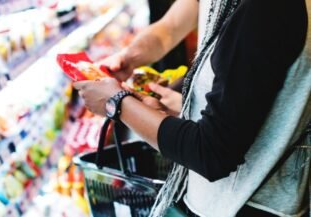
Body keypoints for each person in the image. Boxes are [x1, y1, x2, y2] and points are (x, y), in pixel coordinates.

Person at [74, 0, 311, 216]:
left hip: (245, 203)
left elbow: (212, 152)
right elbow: (171, 27)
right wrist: (131, 61)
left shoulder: (266, 10)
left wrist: (118, 104)